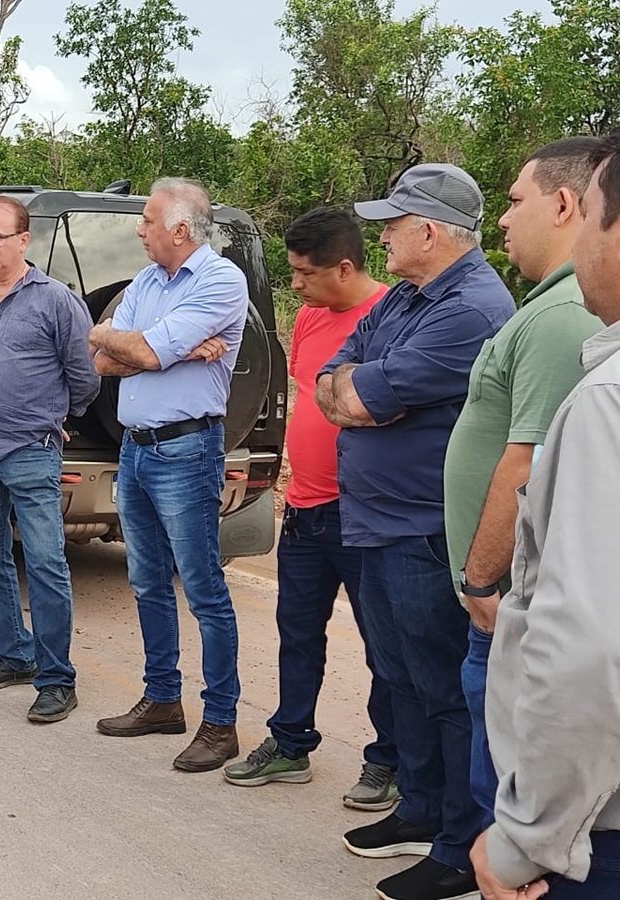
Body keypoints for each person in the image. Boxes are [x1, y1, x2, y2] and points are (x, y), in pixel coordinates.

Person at [317, 164, 516, 900]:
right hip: (376, 521)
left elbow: (365, 394)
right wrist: (359, 392)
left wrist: (364, 393)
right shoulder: (405, 297)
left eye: (394, 224)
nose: (384, 236)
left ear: (430, 231)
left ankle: (463, 845)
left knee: (443, 688)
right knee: (400, 677)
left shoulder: (470, 309)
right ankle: (423, 809)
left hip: (424, 530)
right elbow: (336, 379)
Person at [470, 130, 620, 900]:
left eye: (593, 214)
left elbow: (591, 647)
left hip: (598, 825)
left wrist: (529, 840)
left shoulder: (605, 400)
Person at [223, 207, 399, 809]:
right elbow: (311, 397)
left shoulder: (389, 317)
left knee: (384, 645)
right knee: (297, 633)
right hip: (305, 508)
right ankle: (290, 742)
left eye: (303, 272)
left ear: (344, 268)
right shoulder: (308, 317)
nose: (292, 284)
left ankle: (389, 760)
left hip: (365, 513)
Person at [91, 177, 247, 772]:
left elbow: (148, 355)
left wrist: (150, 348)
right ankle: (161, 700)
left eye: (149, 220)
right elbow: (100, 356)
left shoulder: (220, 280)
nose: (139, 228)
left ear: (181, 229)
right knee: (147, 581)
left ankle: (221, 721)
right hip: (134, 449)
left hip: (186, 451)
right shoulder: (147, 281)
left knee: (204, 590)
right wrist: (134, 341)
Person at [0, 195, 100, 723]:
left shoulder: (56, 300)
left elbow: (84, 375)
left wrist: (60, 415)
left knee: (44, 562)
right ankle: (14, 654)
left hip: (29, 451)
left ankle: (58, 678)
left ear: (24, 240)